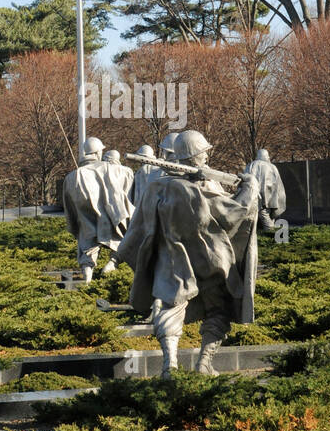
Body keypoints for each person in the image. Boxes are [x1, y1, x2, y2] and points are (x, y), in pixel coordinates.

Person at [118, 129, 259, 377]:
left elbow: (137, 230)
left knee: (169, 309)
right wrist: (250, 188)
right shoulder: (201, 188)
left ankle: (169, 365)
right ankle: (204, 362)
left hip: (170, 264)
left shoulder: (155, 188)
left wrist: (121, 257)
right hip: (209, 263)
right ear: (194, 156)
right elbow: (232, 213)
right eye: (203, 153)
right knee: (219, 309)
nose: (206, 157)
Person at [62, 136, 131, 281]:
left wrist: (75, 223)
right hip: (109, 215)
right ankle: (113, 262)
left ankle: (87, 277)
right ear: (98, 152)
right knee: (122, 236)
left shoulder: (72, 176)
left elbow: (69, 207)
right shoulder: (112, 169)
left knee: (87, 242)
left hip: (85, 214)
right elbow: (127, 178)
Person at [244, 148, 286, 231]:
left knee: (263, 215)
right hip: (272, 197)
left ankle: (270, 234)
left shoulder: (252, 165)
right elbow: (279, 183)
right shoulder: (273, 167)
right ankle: (269, 235)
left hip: (258, 196)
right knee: (269, 215)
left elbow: (247, 179)